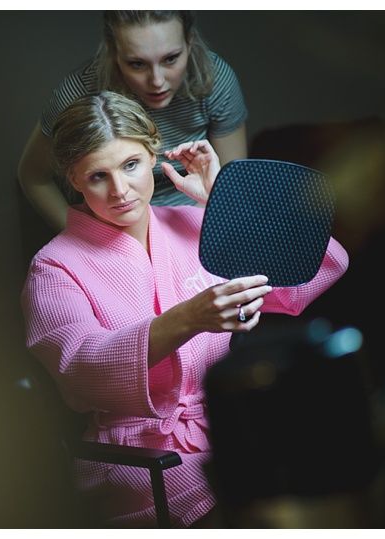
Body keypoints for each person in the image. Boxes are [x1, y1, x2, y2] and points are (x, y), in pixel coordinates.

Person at [20, 91, 348, 527]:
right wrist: (188, 319)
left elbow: (317, 269)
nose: (120, 190)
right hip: (140, 457)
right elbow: (80, 367)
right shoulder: (54, 267)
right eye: (98, 176)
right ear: (73, 180)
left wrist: (221, 200)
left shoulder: (191, 224)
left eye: (131, 165)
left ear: (153, 153)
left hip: (228, 427)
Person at [18, 11, 248, 231]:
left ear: (190, 42)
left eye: (170, 59)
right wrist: (82, 241)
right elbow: (34, 176)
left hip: (196, 219)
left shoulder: (215, 81)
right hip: (111, 226)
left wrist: (195, 234)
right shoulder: (78, 94)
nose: (157, 81)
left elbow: (230, 184)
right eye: (137, 64)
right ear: (113, 52)